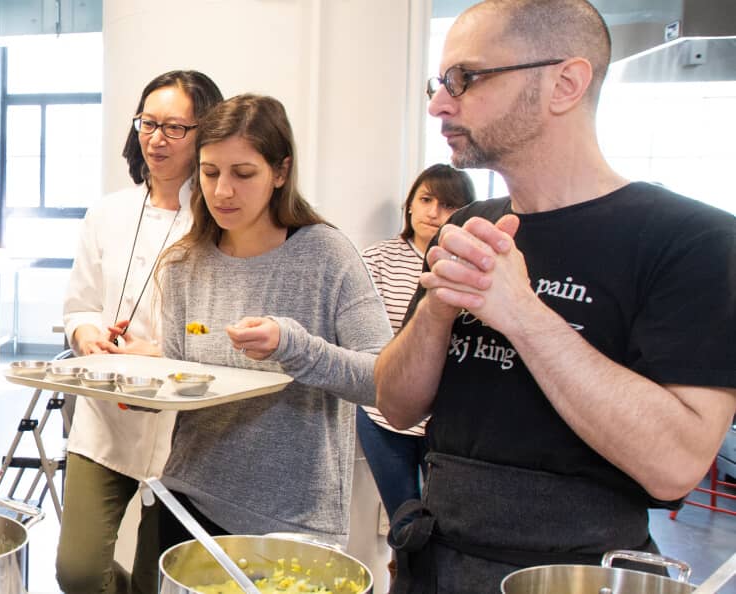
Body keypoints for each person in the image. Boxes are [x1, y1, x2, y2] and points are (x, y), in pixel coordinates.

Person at [374, 1, 736, 590]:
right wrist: (438, 310)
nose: (440, 104)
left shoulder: (694, 240)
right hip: (437, 558)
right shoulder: (467, 225)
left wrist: (520, 312)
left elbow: (675, 466)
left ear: (565, 83)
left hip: (577, 572)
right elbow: (395, 406)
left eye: (465, 79)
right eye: (439, 84)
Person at [153, 94, 392, 557]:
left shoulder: (327, 256)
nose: (222, 191)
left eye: (243, 174)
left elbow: (381, 379)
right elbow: (179, 381)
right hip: (189, 501)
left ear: (280, 172)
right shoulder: (184, 264)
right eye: (209, 172)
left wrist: (295, 346)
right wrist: (140, 393)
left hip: (293, 519)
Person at [58, 70, 222, 594]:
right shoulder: (108, 212)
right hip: (105, 421)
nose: (156, 138)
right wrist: (87, 337)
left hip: (185, 431)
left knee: (163, 579)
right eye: (149, 123)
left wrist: (164, 350)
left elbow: (220, 327)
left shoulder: (222, 220)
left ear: (205, 133)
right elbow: (79, 306)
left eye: (175, 127)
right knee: (79, 571)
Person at [357, 165, 475, 521]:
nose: (433, 212)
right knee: (403, 521)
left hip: (445, 415)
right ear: (409, 205)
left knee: (446, 519)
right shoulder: (377, 259)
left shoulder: (470, 267)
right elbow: (363, 337)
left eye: (448, 205)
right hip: (382, 414)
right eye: (425, 200)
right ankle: (402, 574)